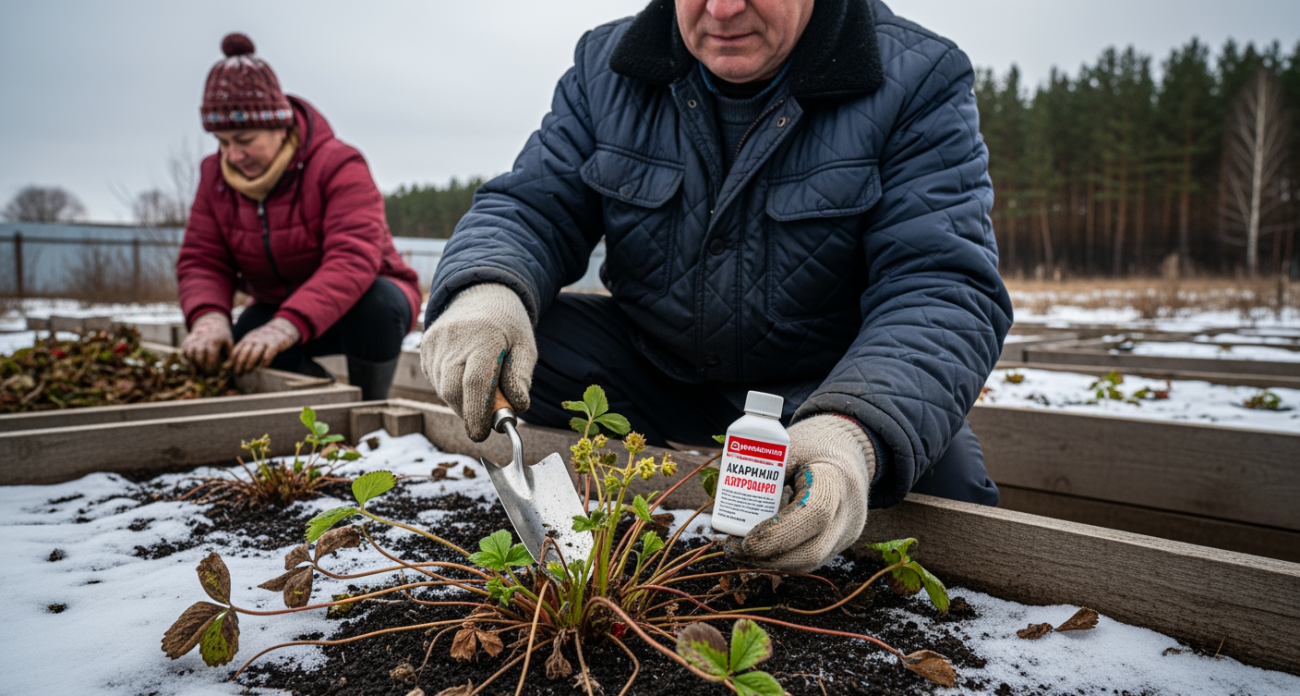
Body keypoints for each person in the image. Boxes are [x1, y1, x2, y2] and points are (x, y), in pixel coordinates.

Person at [420, 0, 1013, 572]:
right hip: (648, 367)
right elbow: (531, 208)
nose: (723, 9)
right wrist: (485, 290)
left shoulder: (915, 76)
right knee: (507, 342)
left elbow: (939, 285)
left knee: (943, 485)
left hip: (815, 388)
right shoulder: (607, 67)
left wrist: (853, 433)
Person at [177, 33, 421, 400]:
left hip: (359, 300)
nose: (232, 155)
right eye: (223, 142)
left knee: (378, 308)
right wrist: (209, 316)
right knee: (247, 337)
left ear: (279, 125)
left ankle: (371, 405)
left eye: (244, 141)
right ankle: (324, 400)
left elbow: (352, 258)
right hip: (276, 304)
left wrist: (288, 324)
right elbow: (203, 259)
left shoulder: (338, 164)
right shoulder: (215, 176)